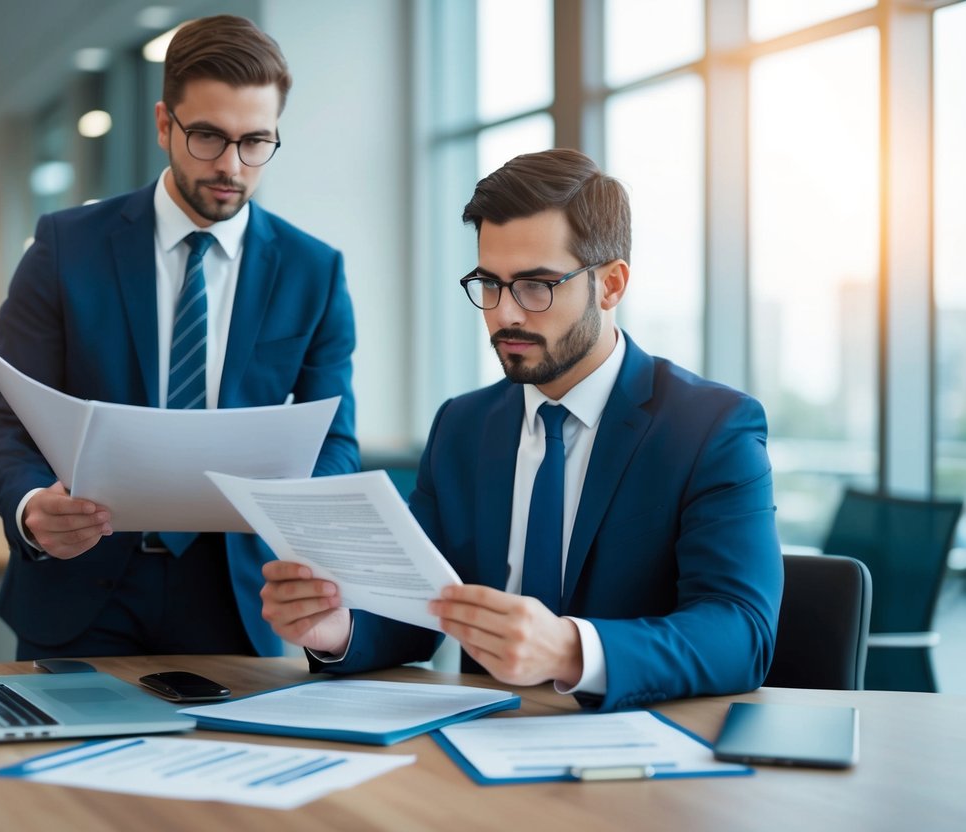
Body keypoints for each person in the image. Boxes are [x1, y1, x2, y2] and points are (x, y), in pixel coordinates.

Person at [261, 148, 781, 712]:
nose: (504, 313)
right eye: (490, 283)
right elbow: (419, 610)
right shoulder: (462, 426)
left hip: (643, 760)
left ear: (610, 285)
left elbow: (740, 631)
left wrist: (572, 651)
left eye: (536, 286)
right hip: (477, 748)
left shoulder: (710, 428)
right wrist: (338, 629)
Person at [0, 15, 358, 660]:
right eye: (207, 137)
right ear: (162, 125)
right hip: (78, 583)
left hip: (238, 596)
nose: (232, 166)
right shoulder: (67, 248)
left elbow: (335, 440)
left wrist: (296, 518)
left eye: (256, 142)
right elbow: (2, 424)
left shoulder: (313, 271)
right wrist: (33, 505)